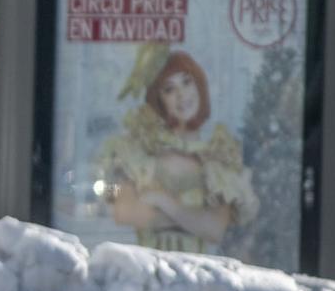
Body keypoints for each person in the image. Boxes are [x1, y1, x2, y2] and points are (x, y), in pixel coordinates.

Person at [95, 43, 259, 254]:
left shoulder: (218, 152)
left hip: (197, 275)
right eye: (169, 89)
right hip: (144, 270)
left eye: (187, 82)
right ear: (159, 99)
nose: (182, 95)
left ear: (199, 85)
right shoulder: (138, 149)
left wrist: (164, 201)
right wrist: (195, 219)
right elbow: (126, 212)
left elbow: (214, 229)